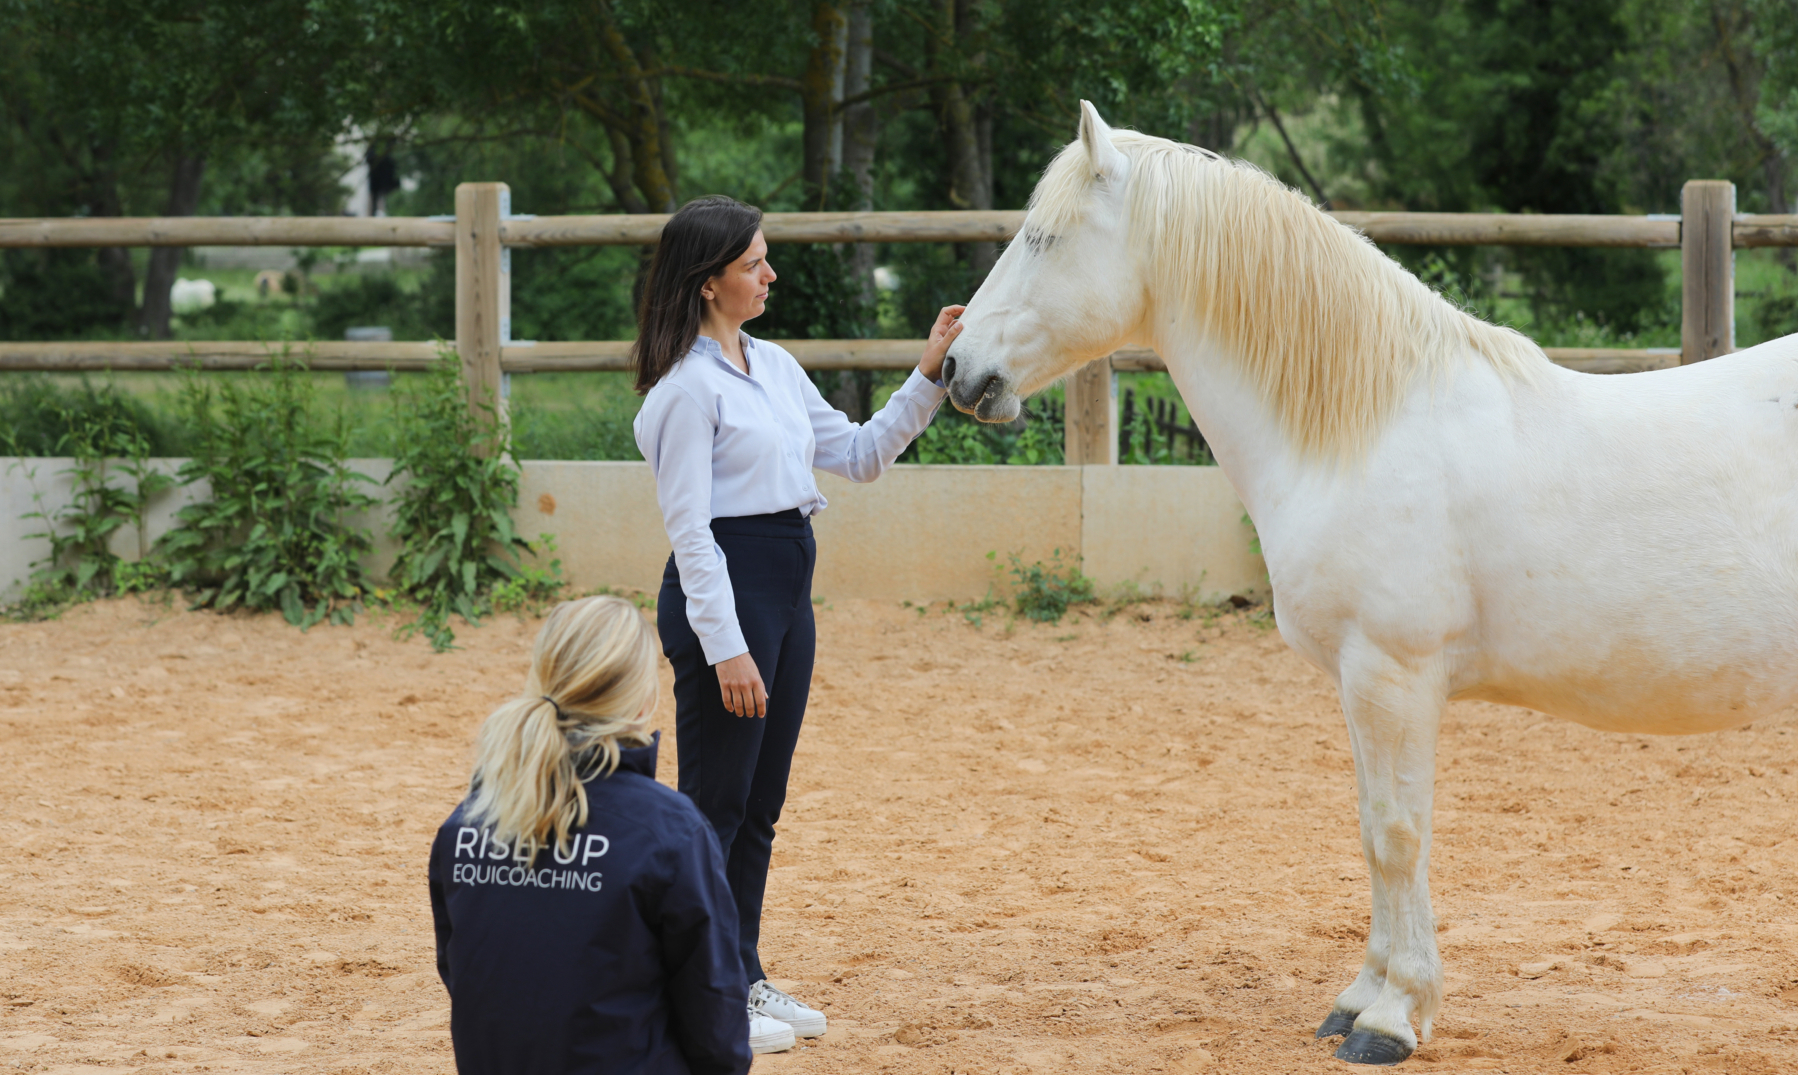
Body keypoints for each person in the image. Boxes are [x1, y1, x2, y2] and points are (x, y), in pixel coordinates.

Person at [632, 195, 964, 1045]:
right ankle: (697, 989)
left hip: (787, 584)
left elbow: (856, 454)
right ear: (710, 284)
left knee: (760, 803)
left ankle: (739, 973)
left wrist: (928, 371)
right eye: (754, 263)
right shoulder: (683, 392)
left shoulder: (773, 367)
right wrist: (727, 646)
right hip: (729, 594)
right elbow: (691, 534)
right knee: (715, 804)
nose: (770, 274)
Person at [428, 595, 790, 1074]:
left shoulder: (464, 826)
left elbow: (463, 973)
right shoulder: (670, 832)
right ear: (641, 702)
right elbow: (716, 1020)